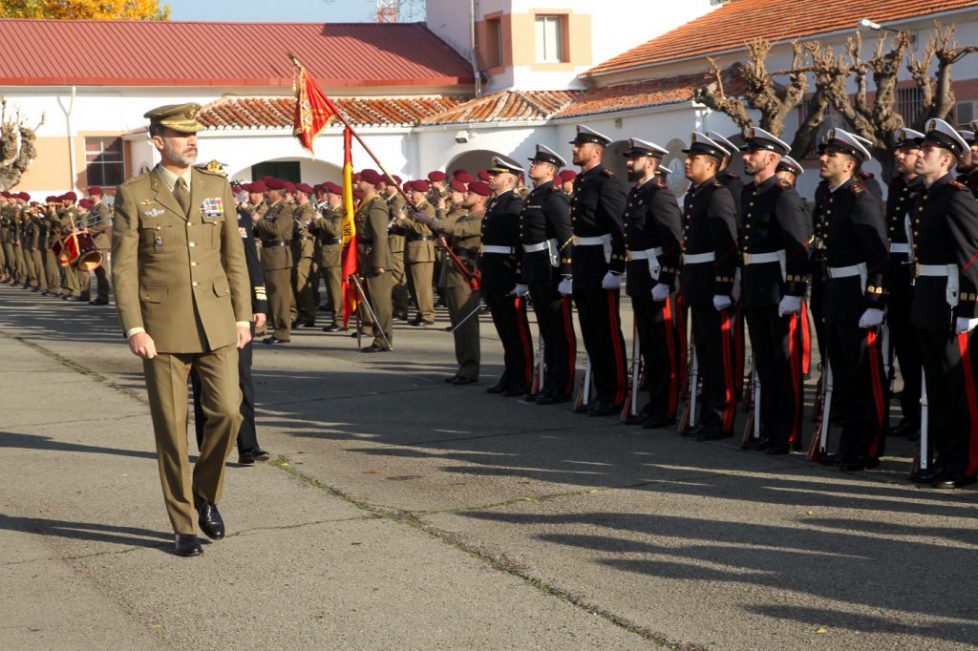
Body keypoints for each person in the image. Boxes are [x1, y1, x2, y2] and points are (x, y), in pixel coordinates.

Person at [111, 102, 251, 557]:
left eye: (194, 135)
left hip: (216, 323)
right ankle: (183, 524)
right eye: (181, 135)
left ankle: (205, 493)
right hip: (162, 329)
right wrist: (134, 326)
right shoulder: (135, 194)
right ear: (158, 141)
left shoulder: (216, 186)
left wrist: (243, 315)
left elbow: (234, 257)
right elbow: (124, 269)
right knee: (171, 430)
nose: (191, 142)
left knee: (229, 413)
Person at [814, 128, 888, 471]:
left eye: (831, 155)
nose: (823, 159)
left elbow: (878, 256)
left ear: (849, 164)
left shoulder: (860, 198)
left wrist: (875, 302)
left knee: (864, 375)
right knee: (844, 374)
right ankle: (850, 443)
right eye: (824, 153)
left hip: (857, 296)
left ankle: (868, 446)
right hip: (836, 293)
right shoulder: (831, 196)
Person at [910, 119, 978, 489]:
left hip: (954, 305)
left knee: (958, 388)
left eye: (928, 151)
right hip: (929, 300)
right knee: (936, 387)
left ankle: (964, 464)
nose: (920, 155)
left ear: (947, 159)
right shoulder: (924, 196)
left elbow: (972, 255)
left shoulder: (956, 196)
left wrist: (971, 308)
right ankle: (942, 457)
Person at [738, 127, 812, 454]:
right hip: (755, 286)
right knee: (765, 364)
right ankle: (768, 429)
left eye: (752, 153)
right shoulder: (749, 193)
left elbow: (798, 248)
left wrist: (794, 291)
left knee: (784, 364)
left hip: (778, 290)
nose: (745, 157)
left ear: (770, 158)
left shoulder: (784, 194)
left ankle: (787, 433)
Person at [191, 176, 271, 466]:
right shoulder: (191, 213)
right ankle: (209, 446)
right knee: (203, 379)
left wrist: (258, 303)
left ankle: (248, 445)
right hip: (204, 306)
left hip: (238, 308)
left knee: (241, 376)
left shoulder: (239, 217)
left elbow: (250, 262)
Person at [566, 125, 629, 416]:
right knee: (590, 333)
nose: (574, 150)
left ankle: (615, 393)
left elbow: (620, 230)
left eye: (580, 146)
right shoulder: (581, 182)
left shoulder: (607, 183)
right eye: (574, 145)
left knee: (607, 333)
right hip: (583, 261)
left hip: (601, 263)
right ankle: (600, 389)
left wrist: (615, 269)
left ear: (596, 151)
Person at [680, 132, 739, 440]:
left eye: (694, 159)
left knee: (718, 358)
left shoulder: (717, 194)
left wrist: (723, 286)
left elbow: (727, 244)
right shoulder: (695, 194)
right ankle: (706, 415)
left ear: (712, 164)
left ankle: (720, 418)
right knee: (704, 353)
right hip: (696, 281)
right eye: (688, 157)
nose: (687, 162)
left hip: (711, 283)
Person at [621, 138, 683, 428]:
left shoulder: (660, 195)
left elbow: (673, 241)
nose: (629, 162)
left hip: (656, 275)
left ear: (651, 162)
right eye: (628, 158)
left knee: (662, 347)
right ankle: (654, 403)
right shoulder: (636, 194)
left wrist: (668, 278)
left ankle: (666, 407)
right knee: (648, 345)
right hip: (639, 274)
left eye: (635, 158)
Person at [517, 144, 577, 405]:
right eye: (532, 163)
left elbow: (566, 237)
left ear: (551, 170)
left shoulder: (554, 197)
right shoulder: (534, 196)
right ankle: (550, 382)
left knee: (558, 331)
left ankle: (561, 385)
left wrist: (567, 273)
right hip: (536, 269)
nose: (532, 166)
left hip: (552, 272)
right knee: (546, 330)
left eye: (537, 164)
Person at [416, 180, 489, 384]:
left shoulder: (481, 217)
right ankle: (463, 366)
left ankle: (470, 368)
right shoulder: (466, 215)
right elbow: (452, 229)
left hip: (465, 276)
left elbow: (457, 229)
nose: (465, 196)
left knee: (466, 325)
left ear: (480, 198)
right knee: (458, 325)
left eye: (470, 194)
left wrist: (430, 220)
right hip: (453, 274)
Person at [885, 128, 925, 439]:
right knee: (905, 352)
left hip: (920, 279)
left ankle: (922, 416)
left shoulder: (926, 189)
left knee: (922, 354)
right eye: (899, 150)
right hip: (897, 279)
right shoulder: (898, 187)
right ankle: (911, 414)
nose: (899, 155)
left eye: (907, 151)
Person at [481, 157, 533, 396]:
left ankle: (522, 377)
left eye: (496, 174)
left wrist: (521, 277)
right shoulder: (495, 203)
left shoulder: (513, 204)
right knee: (504, 329)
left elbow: (520, 243)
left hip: (507, 272)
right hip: (494, 272)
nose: (490, 178)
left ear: (510, 179)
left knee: (516, 329)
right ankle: (509, 374)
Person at [356, 169, 394, 352]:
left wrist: (378, 262)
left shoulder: (376, 204)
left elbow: (380, 235)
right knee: (372, 301)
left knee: (380, 302)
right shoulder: (365, 203)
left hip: (376, 257)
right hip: (366, 256)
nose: (357, 183)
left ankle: (384, 339)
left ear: (370, 183)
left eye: (361, 180)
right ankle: (378, 337)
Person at [252, 178, 294, 344]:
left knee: (279, 296)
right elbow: (264, 231)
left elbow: (276, 230)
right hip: (270, 254)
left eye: (268, 191)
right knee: (272, 295)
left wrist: (258, 221)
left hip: (279, 256)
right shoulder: (272, 209)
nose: (266, 193)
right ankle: (277, 328)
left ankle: (283, 331)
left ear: (277, 192)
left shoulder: (284, 209)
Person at [310, 181, 345, 332]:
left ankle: (340, 319)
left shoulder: (340, 213)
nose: (326, 197)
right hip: (326, 252)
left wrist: (320, 220)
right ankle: (336, 317)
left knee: (336, 289)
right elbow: (321, 231)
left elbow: (335, 230)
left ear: (337, 196)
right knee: (331, 290)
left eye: (329, 194)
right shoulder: (329, 212)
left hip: (335, 253)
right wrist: (314, 225)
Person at [290, 182, 318, 328]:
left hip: (304, 247)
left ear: (304, 194)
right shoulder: (297, 209)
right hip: (295, 247)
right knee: (295, 282)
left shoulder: (308, 209)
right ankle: (300, 313)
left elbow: (297, 226)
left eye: (296, 193)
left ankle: (308, 315)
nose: (294, 195)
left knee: (302, 283)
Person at [87, 186, 113, 305]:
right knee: (97, 271)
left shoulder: (102, 207)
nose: (88, 196)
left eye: (90, 194)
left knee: (102, 271)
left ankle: (104, 296)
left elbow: (104, 224)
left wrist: (89, 231)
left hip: (100, 242)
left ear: (95, 195)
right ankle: (100, 295)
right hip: (94, 242)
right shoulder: (94, 208)